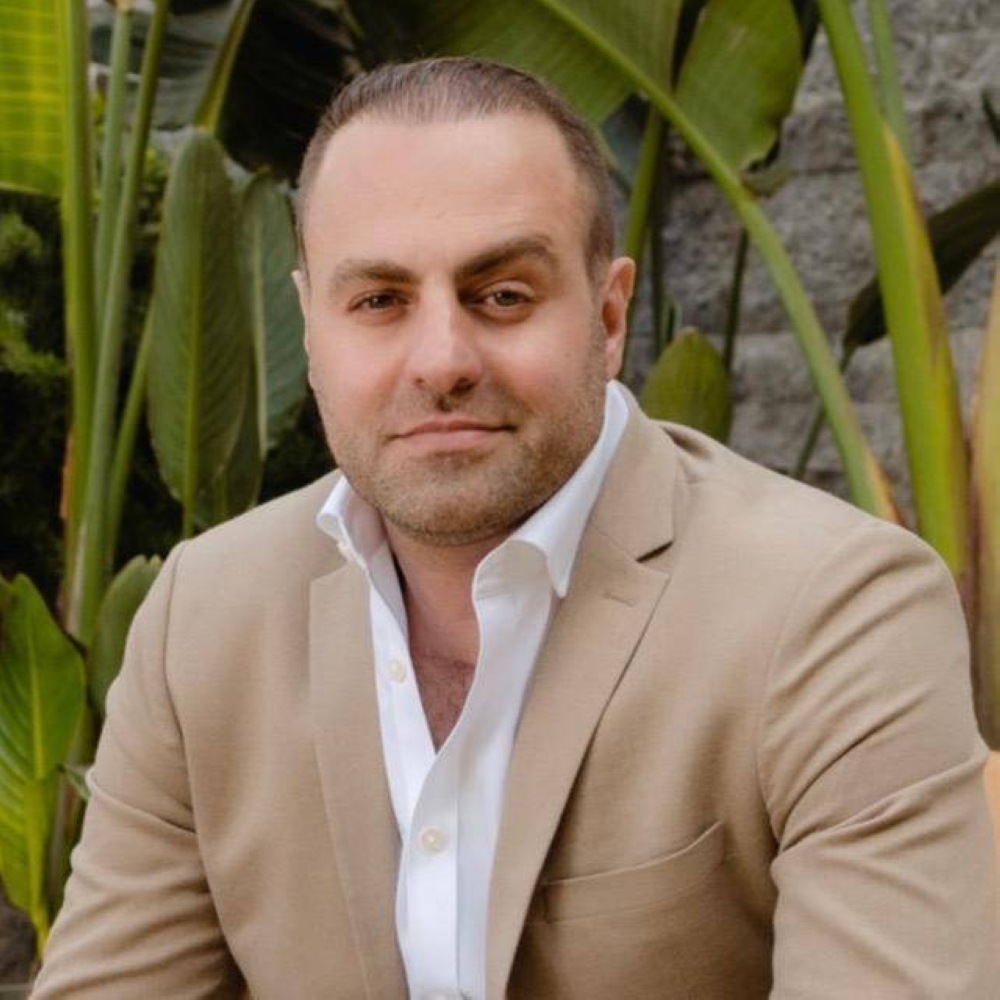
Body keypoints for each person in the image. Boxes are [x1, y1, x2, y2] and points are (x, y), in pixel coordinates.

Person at [33, 57, 997, 999]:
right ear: (311, 328)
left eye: (502, 295)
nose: (442, 360)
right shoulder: (203, 617)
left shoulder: (833, 613)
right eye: (379, 301)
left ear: (609, 317)